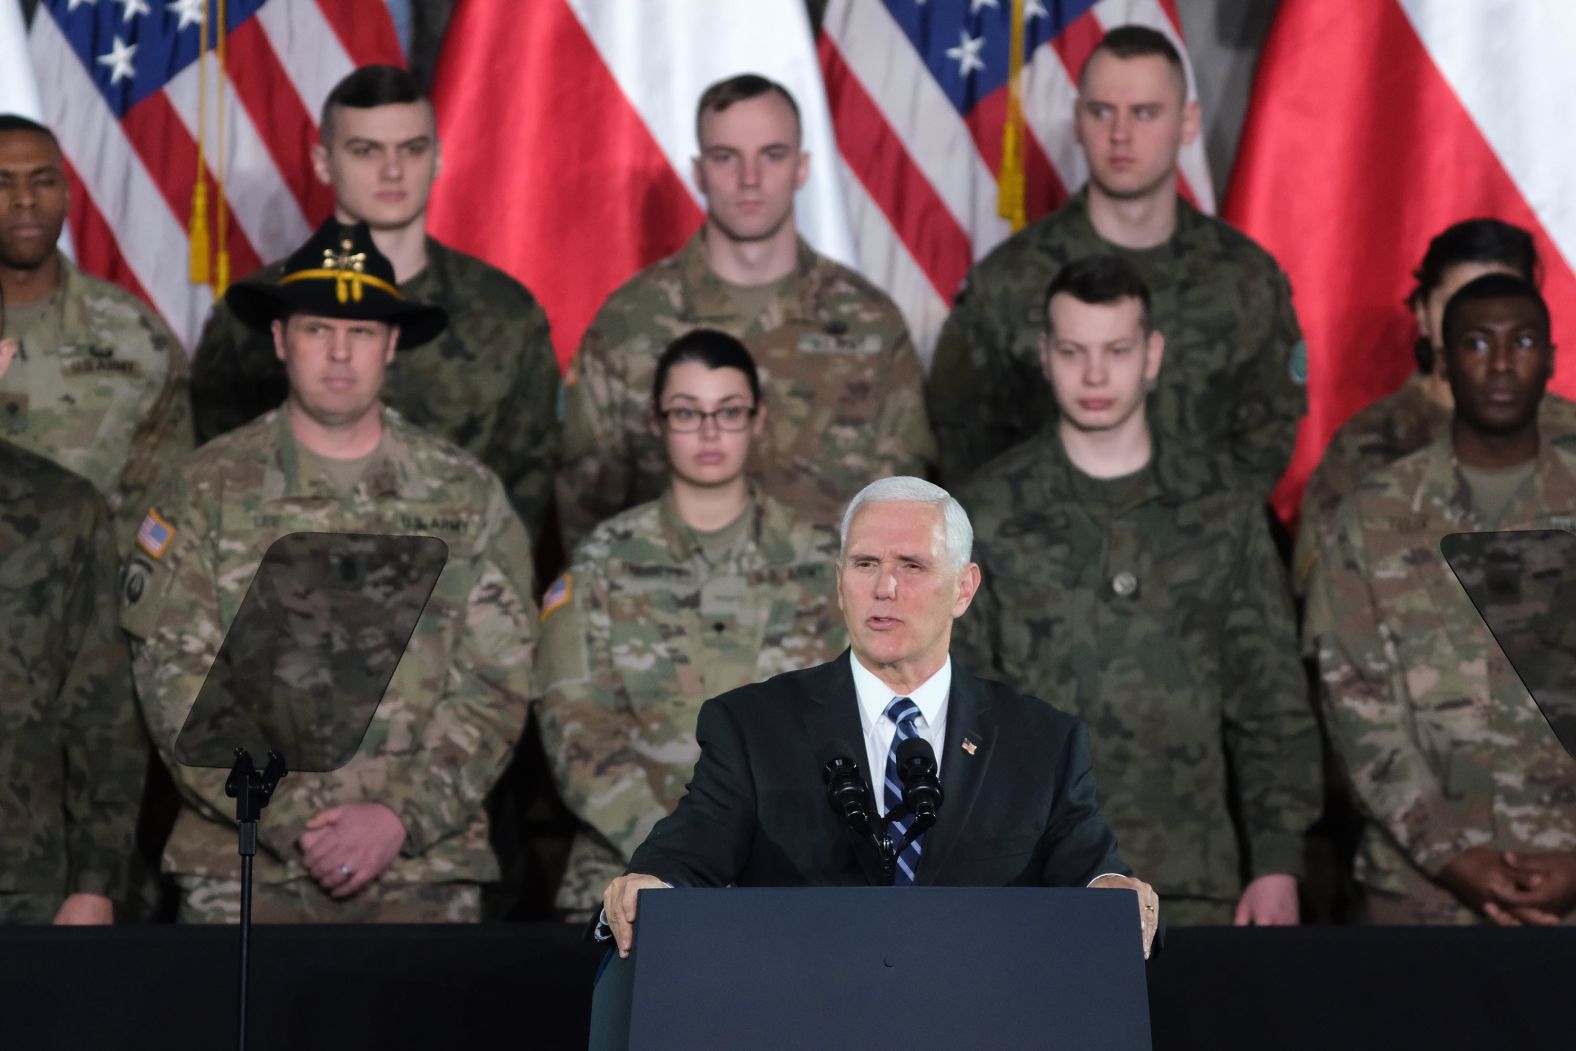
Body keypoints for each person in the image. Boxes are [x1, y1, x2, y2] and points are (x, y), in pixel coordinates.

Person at [122, 220, 539, 924]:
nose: (340, 353)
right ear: (281, 339)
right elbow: (176, 681)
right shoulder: (204, 491)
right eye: (318, 329)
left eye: (364, 331)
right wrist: (290, 817)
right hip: (245, 864)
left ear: (393, 343)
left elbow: (497, 679)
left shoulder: (465, 496)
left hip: (419, 865)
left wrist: (398, 815)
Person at [602, 476, 1160, 960]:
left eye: (911, 566)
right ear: (840, 580)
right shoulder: (754, 726)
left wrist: (1112, 890)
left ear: (963, 589)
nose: (884, 588)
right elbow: (690, 847)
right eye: (865, 563)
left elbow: (1090, 869)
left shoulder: (1041, 742)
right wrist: (652, 883)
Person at [953, 257, 1319, 926]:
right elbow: (957, 712)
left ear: (1152, 354)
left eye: (1117, 350)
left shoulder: (1220, 507)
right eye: (1073, 351)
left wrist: (1278, 860)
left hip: (1193, 881)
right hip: (1032, 883)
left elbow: (1269, 697)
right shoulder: (986, 511)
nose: (1095, 375)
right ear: (1044, 354)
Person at [537, 330, 848, 919]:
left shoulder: (824, 565)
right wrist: (687, 859)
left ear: (758, 420)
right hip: (628, 875)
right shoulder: (603, 559)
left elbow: (857, 724)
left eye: (728, 412)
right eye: (687, 413)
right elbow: (575, 729)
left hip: (790, 883)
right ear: (656, 423)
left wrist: (756, 857)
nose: (709, 432)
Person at [557, 73, 934, 550]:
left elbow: (906, 508)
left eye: (772, 155)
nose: (749, 179)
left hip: (834, 613)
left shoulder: (870, 323)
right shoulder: (630, 322)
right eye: (725, 157)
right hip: (668, 615)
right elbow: (587, 514)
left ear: (801, 168)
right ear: (699, 171)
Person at [926, 26, 1304, 496]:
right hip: (1044, 555)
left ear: (1187, 124)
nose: (1120, 135)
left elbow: (1270, 429)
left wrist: (1207, 532)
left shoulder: (1247, 277)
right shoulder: (1008, 280)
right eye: (1102, 112)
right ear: (1078, 120)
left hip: (1207, 555)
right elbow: (964, 437)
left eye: (1145, 113)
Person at [1305, 273, 1576, 925]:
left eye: (1524, 340)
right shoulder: (1373, 515)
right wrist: (1451, 854)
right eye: (1478, 344)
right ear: (1443, 359)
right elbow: (1353, 706)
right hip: (1418, 893)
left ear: (1552, 357)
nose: (1503, 363)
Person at [189, 66, 559, 541]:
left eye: (413, 149)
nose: (392, 170)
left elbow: (528, 484)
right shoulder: (256, 313)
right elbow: (209, 468)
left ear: (439, 158)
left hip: (455, 590)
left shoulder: (505, 313)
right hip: (277, 587)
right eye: (365, 151)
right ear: (323, 162)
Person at [1295, 218, 1576, 590]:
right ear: (1423, 314)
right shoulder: (1369, 443)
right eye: (1458, 303)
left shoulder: (1568, 432)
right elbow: (1322, 587)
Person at [0, 113, 192, 547]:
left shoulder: (137, 337)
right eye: (2, 183)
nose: (24, 199)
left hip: (89, 606)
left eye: (43, 180)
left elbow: (165, 508)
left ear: (67, 195)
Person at [0, 352, 145, 924]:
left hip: (19, 885)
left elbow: (102, 710)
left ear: (3, 355)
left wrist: (96, 881)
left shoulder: (63, 510)